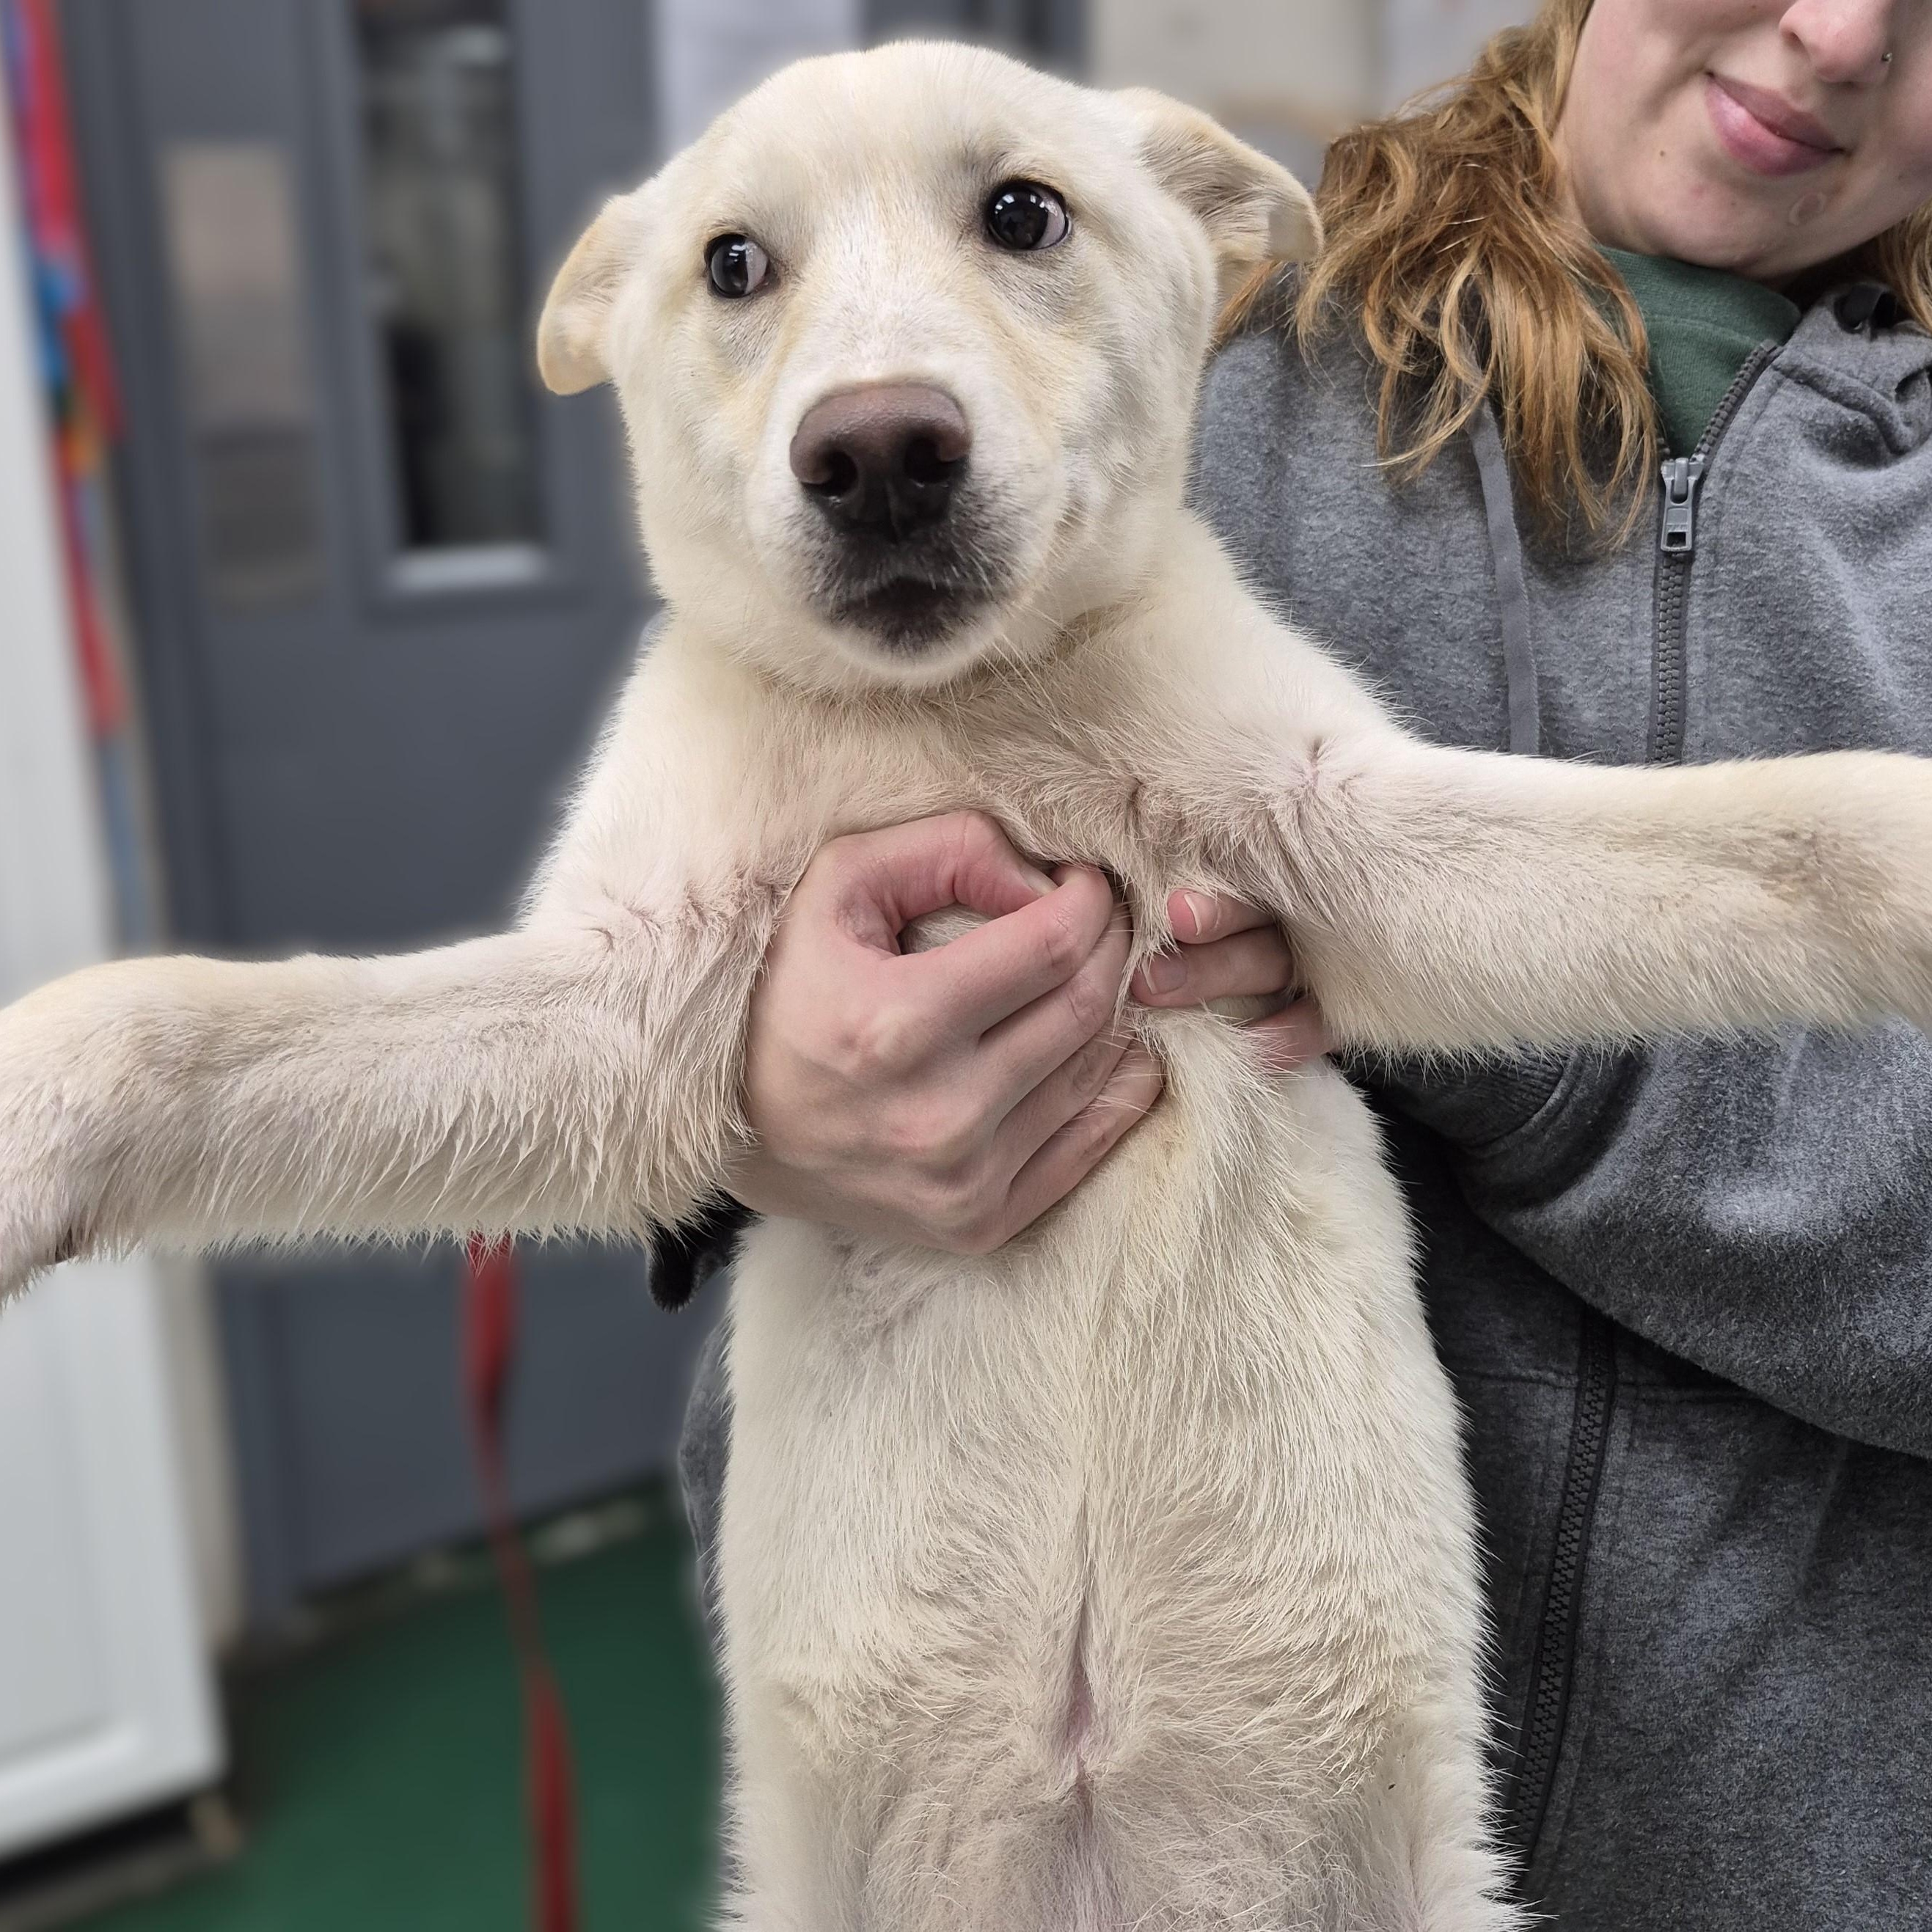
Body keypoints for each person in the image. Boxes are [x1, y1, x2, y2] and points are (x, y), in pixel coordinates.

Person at [674, 3, 1932, 1922]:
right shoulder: (1183, 333)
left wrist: (1502, 999)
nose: (1842, 31)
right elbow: (774, 822)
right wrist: (744, 1091)